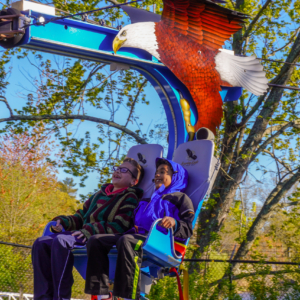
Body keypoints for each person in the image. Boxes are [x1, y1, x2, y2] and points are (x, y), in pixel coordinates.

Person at [31, 158, 144, 300]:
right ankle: (42, 297)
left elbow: (120, 225)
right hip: (80, 233)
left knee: (61, 241)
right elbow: (80, 217)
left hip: (95, 236)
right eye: (117, 168)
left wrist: (90, 230)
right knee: (40, 243)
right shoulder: (98, 195)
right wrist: (63, 223)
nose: (117, 171)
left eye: (124, 170)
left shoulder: (130, 197)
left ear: (134, 181)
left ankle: (61, 297)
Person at [85, 158, 194, 300]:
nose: (157, 175)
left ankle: (128, 296)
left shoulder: (180, 198)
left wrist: (174, 222)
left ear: (176, 177)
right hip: (136, 236)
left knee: (128, 241)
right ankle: (102, 295)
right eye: (156, 172)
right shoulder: (145, 200)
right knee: (96, 240)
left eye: (163, 172)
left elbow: (187, 229)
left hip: (160, 241)